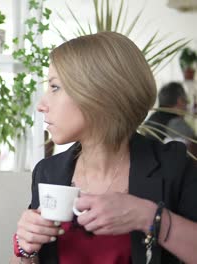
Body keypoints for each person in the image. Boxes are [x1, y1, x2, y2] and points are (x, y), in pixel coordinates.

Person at [10, 32, 197, 264]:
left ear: (98, 92)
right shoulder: (48, 172)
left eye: (55, 87)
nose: (41, 105)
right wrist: (26, 248)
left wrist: (148, 216)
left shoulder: (174, 166)